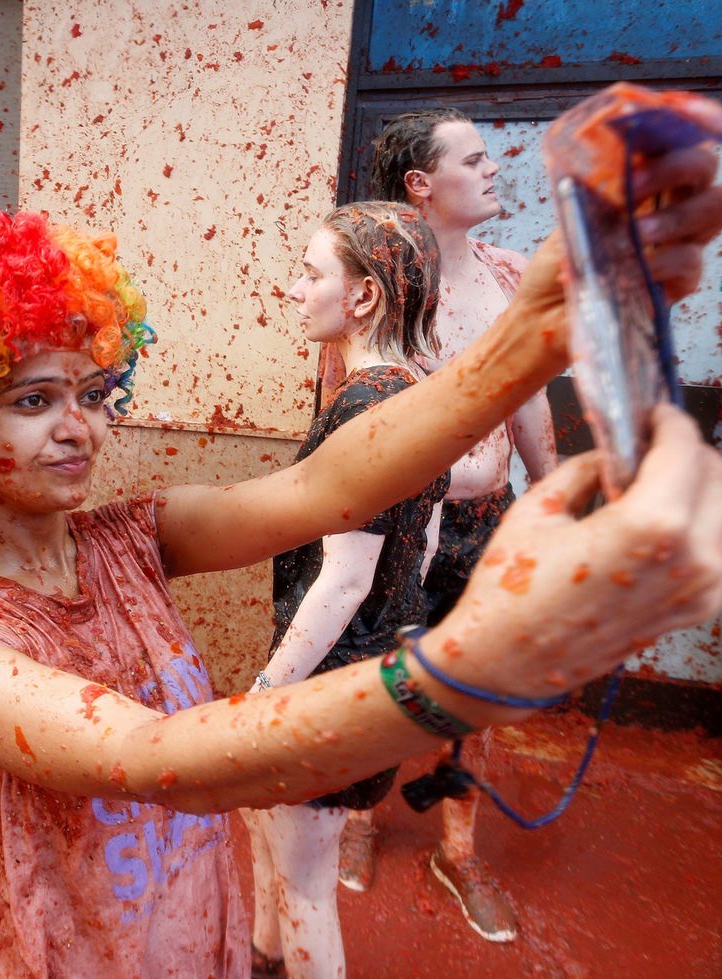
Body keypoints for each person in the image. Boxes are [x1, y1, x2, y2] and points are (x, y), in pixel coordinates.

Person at [0, 151, 722, 978]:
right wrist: (462, 672)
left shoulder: (131, 537)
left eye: (92, 393)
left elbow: (328, 489)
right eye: (33, 400)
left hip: (195, 938)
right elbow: (148, 755)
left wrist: (534, 339)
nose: (78, 425)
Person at [361, 107, 560, 940]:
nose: (492, 168)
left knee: (477, 686)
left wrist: (553, 501)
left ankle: (459, 845)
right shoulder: (374, 280)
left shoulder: (511, 275)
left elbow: (529, 396)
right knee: (375, 678)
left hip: (488, 517)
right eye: (473, 159)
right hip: (401, 519)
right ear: (422, 183)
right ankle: (356, 818)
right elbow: (352, 411)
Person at [244, 202, 448, 978]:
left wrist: (266, 691)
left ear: (363, 297)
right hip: (366, 666)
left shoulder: (366, 404)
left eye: (310, 272)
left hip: (330, 679)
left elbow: (346, 575)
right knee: (275, 841)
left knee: (304, 885)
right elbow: (420, 545)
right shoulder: (414, 390)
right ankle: (263, 964)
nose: (295, 289)